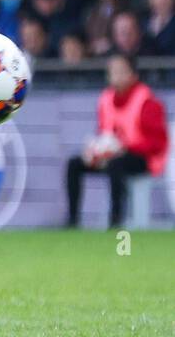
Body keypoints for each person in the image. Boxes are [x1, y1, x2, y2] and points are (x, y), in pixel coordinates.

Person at [64, 54, 168, 228]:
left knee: (116, 165)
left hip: (143, 159)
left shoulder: (147, 101)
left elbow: (158, 143)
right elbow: (105, 132)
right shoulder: (105, 99)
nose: (116, 75)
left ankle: (115, 220)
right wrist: (96, 149)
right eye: (113, 71)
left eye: (121, 71)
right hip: (113, 155)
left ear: (133, 75)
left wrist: (124, 147)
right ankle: (73, 220)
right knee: (74, 164)